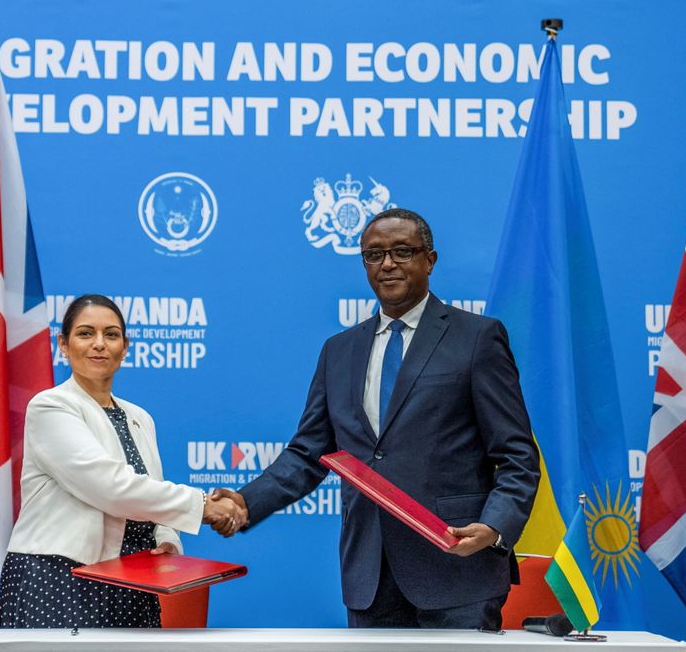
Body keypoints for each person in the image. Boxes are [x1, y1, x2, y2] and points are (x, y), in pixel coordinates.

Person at [212, 208, 539, 629]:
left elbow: (516, 455)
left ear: (430, 260)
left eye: (402, 251)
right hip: (369, 573)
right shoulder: (338, 350)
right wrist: (245, 503)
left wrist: (494, 526)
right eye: (374, 254)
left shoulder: (477, 337)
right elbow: (308, 453)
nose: (387, 264)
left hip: (458, 568)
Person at [0, 294, 243, 628]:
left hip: (133, 585)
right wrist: (204, 506)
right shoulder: (51, 406)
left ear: (125, 347)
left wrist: (167, 540)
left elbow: (151, 492)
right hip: (59, 576)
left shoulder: (140, 417)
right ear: (64, 345)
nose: (99, 344)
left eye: (111, 335)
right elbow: (110, 487)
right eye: (86, 333)